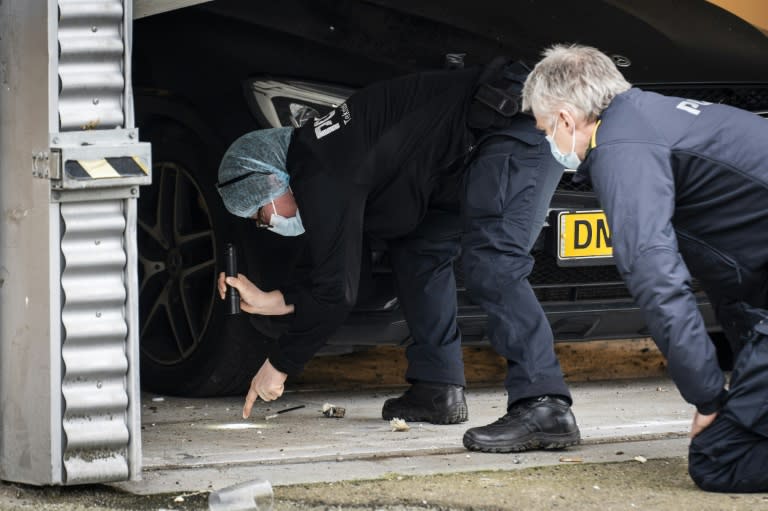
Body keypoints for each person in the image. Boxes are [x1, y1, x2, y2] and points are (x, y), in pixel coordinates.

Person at [216, 58, 580, 453]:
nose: (265, 224)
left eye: (258, 213)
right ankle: (437, 388)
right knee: (416, 248)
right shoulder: (323, 154)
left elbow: (338, 292)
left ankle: (545, 405)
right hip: (466, 152)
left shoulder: (319, 166)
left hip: (516, 122)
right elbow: (351, 269)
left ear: (270, 179)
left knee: (495, 260)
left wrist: (279, 365)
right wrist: (278, 300)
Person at [522, 43, 768, 492]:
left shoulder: (623, 146)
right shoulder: (652, 116)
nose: (547, 142)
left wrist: (709, 397)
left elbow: (656, 279)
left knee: (722, 462)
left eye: (543, 130)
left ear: (564, 119)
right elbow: (730, 264)